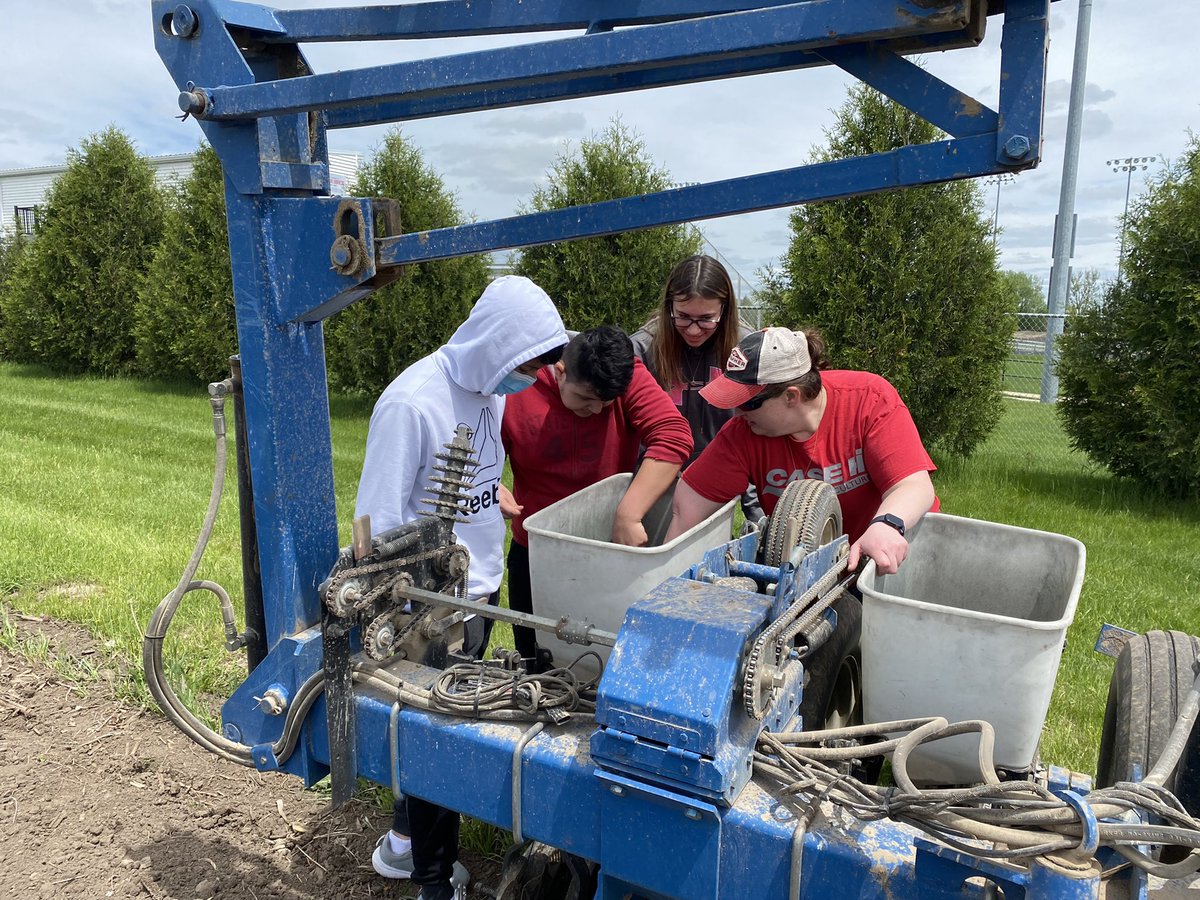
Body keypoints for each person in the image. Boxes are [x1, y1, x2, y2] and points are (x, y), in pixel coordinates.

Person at [356, 275, 568, 900]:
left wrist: (488, 496)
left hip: (480, 584)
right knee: (433, 734)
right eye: (524, 365)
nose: (528, 379)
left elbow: (470, 469)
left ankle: (401, 842)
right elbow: (381, 521)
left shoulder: (488, 393)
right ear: (495, 345)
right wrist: (411, 606)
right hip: (432, 606)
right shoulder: (412, 403)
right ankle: (431, 881)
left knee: (442, 720)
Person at [666, 327, 937, 575]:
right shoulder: (745, 431)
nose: (736, 412)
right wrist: (663, 579)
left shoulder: (869, 399)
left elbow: (913, 486)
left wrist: (887, 525)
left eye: (747, 403)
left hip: (892, 559)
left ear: (791, 396)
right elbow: (685, 509)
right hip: (810, 573)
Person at [501, 326, 693, 669]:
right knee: (536, 665)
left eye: (607, 403)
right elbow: (477, 440)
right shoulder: (520, 379)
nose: (597, 411)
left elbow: (673, 435)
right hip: (535, 554)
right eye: (587, 400)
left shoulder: (625, 374)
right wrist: (490, 484)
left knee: (607, 663)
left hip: (605, 554)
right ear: (559, 372)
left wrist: (628, 515)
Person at [630, 254, 762, 520]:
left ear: (724, 310)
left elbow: (754, 428)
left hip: (722, 473)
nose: (692, 330)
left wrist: (757, 516)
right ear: (670, 307)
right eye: (683, 317)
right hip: (655, 474)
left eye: (706, 319)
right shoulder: (643, 348)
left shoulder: (746, 347)